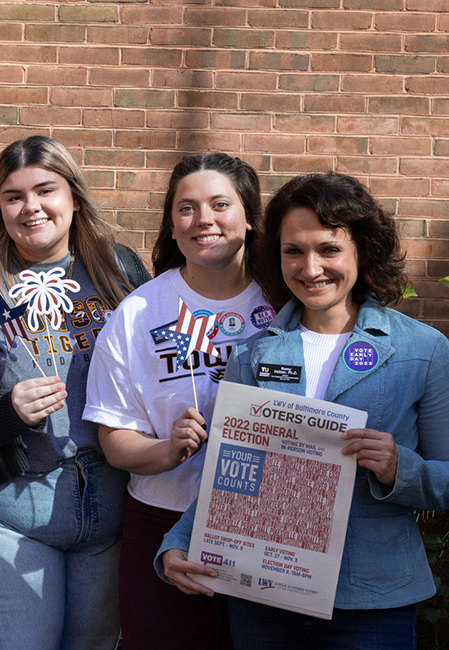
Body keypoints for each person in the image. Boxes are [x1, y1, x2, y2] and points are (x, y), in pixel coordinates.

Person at [159, 172, 449, 649]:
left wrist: (402, 469)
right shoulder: (252, 355)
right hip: (264, 600)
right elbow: (228, 477)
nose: (310, 268)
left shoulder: (423, 350)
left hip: (372, 601)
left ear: (363, 250)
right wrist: (177, 542)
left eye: (329, 249)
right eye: (294, 250)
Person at [0, 135, 150, 650]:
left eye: (45, 190)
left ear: (74, 197)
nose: (31, 207)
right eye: (13, 196)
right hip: (2, 510)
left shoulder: (119, 268)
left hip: (105, 510)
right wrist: (4, 408)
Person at [82, 153, 269, 650]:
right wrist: (167, 449)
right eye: (186, 207)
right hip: (163, 520)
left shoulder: (285, 302)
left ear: (249, 216)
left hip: (269, 525)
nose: (203, 219)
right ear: (171, 222)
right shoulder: (139, 312)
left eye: (220, 204)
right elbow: (114, 440)